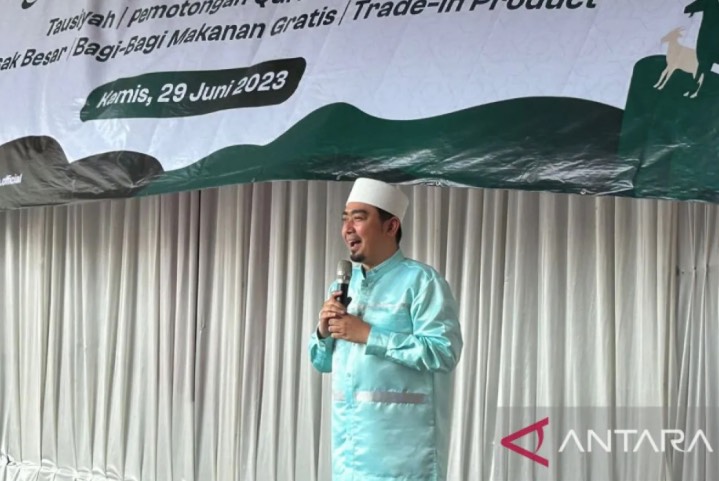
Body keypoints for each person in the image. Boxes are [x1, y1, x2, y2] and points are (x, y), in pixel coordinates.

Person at [308, 177, 463, 481]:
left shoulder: (421, 282)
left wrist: (368, 335)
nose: (347, 228)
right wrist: (322, 334)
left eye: (358, 218)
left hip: (403, 459)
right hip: (348, 455)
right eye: (344, 219)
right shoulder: (343, 286)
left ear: (391, 227)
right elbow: (321, 363)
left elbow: (444, 352)